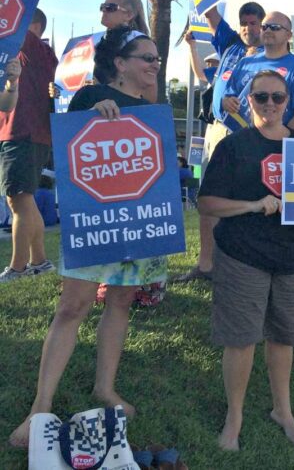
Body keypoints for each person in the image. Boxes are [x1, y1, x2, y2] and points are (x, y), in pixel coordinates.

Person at [9, 26, 166, 447]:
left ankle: (105, 388)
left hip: (137, 221)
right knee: (72, 307)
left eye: (156, 59)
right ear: (120, 63)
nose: (155, 65)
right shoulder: (88, 96)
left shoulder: (150, 107)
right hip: (94, 221)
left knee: (120, 300)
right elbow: (67, 150)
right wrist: (94, 116)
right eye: (147, 58)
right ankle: (40, 407)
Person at [198, 69, 294, 450]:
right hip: (242, 255)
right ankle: (234, 416)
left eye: (277, 97)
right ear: (249, 101)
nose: (269, 104)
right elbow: (206, 203)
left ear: (289, 102)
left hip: (293, 258)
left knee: (284, 338)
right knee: (241, 339)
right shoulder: (234, 146)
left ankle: (282, 410)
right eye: (261, 97)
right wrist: (253, 205)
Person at [174, 2, 264, 284]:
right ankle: (206, 265)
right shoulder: (231, 45)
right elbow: (210, 13)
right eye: (245, 22)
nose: (249, 28)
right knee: (208, 196)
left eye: (254, 23)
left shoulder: (269, 56)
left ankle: (240, 265)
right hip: (216, 129)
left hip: (246, 133)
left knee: (241, 200)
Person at [0, 8, 58, 283]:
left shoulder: (34, 49)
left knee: (18, 199)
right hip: (29, 134)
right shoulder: (41, 56)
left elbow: (15, 18)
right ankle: (38, 261)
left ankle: (18, 267)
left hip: (22, 133)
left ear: (31, 26)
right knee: (25, 199)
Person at [223, 12, 294, 133]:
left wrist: (279, 140)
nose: (268, 30)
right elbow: (227, 97)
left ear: (289, 35)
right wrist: (227, 102)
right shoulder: (245, 63)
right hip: (242, 140)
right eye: (264, 27)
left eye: (275, 27)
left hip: (276, 145)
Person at [95, 0, 154, 101]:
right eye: (103, 7)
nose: (104, 11)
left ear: (129, 15)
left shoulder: (138, 44)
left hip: (125, 112)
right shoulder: (103, 42)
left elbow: (150, 93)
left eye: (110, 8)